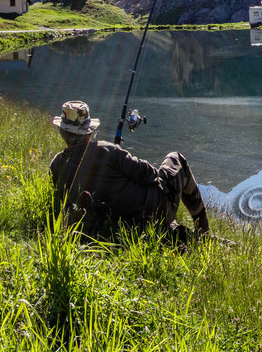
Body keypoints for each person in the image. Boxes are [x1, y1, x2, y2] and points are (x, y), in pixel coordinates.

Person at [48, 100, 210, 245]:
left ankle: (188, 238)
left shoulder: (57, 165)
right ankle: (204, 231)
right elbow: (149, 174)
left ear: (63, 132)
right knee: (176, 158)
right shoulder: (105, 150)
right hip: (156, 211)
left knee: (171, 230)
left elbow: (61, 200)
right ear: (88, 132)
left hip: (123, 229)